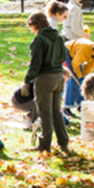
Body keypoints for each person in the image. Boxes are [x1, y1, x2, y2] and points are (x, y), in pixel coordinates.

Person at [24, 11, 69, 154]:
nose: (32, 31)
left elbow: (35, 64)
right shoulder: (57, 36)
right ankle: (63, 143)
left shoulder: (39, 40)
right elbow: (63, 56)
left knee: (45, 113)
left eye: (32, 27)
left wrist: (27, 81)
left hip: (45, 78)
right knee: (56, 111)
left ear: (36, 25)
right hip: (59, 76)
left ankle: (44, 144)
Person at [63, 39, 94, 118]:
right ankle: (67, 106)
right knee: (73, 80)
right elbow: (75, 64)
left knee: (83, 83)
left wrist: (85, 79)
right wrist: (79, 77)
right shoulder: (85, 49)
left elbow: (88, 68)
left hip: (77, 57)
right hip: (67, 52)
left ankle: (81, 104)